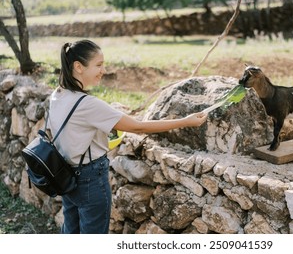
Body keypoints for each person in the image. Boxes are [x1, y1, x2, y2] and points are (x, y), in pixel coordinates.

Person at [48, 39, 207, 234]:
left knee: (70, 234)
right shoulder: (87, 103)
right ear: (78, 67)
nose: (103, 70)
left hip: (67, 177)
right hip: (90, 180)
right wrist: (186, 121)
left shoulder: (58, 94)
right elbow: (139, 127)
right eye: (98, 65)